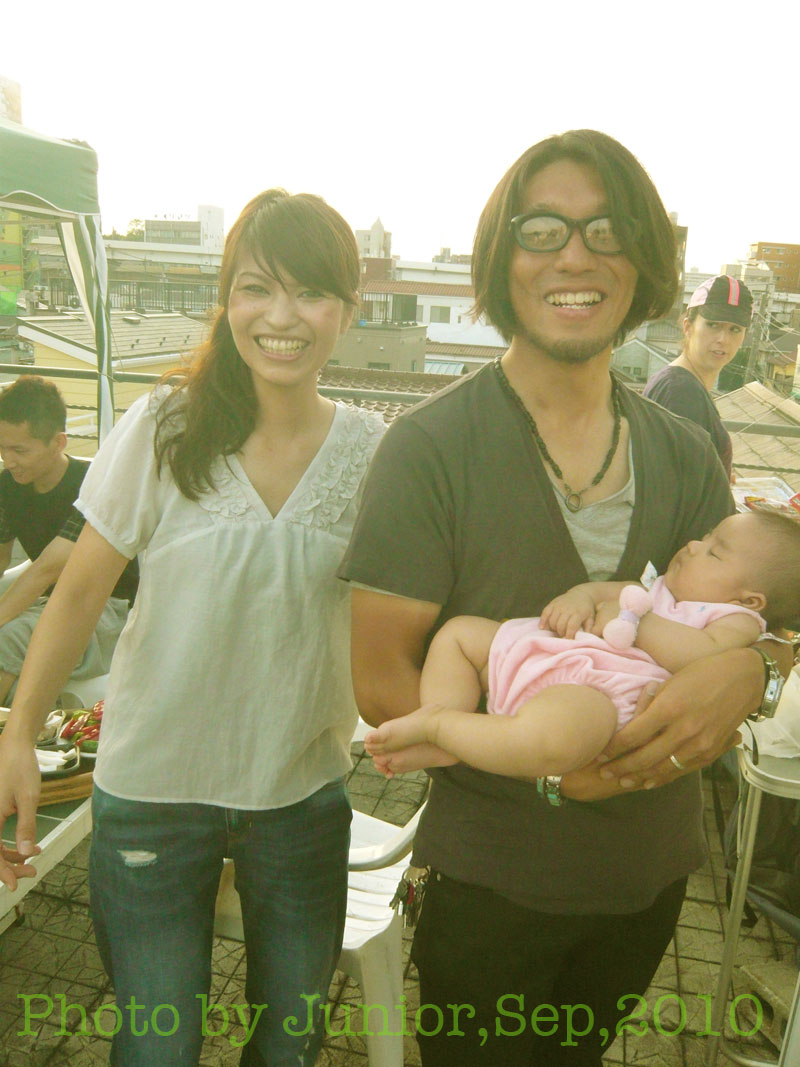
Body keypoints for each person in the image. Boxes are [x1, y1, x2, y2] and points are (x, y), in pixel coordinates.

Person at [339, 130, 784, 1065]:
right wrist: (544, 759)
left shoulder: (684, 455)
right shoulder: (428, 449)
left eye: (607, 230)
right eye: (542, 230)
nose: (576, 255)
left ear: (644, 263)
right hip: (492, 884)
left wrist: (751, 674)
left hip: (648, 879)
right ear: (501, 260)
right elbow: (382, 682)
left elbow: (743, 619)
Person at [0, 189, 385, 1065]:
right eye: (257, 288)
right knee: (157, 1046)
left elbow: (407, 612)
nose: (281, 316)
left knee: (288, 1044)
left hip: (301, 794)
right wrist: (18, 732)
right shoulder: (165, 426)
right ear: (226, 299)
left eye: (311, 292)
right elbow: (79, 592)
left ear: (349, 310)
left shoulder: (372, 450)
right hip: (153, 795)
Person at [365, 510, 800, 780]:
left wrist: (640, 622)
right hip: (548, 649)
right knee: (459, 634)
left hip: (598, 691)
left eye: (714, 552)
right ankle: (443, 715)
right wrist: (578, 599)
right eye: (705, 536)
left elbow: (704, 656)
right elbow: (601, 592)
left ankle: (442, 729)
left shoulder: (734, 621)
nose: (692, 546)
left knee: (552, 740)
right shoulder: (658, 587)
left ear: (751, 600)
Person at [0, 376, 137, 703]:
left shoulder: (93, 488)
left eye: (19, 450)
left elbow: (46, 569)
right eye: (2, 447)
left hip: (107, 607)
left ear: (59, 442)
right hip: (49, 599)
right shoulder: (8, 485)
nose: (8, 459)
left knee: (10, 637)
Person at [644, 274, 754, 480]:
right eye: (713, 325)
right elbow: (680, 489)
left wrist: (720, 475)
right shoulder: (681, 392)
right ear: (688, 327)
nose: (723, 339)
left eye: (735, 329)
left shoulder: (682, 384)